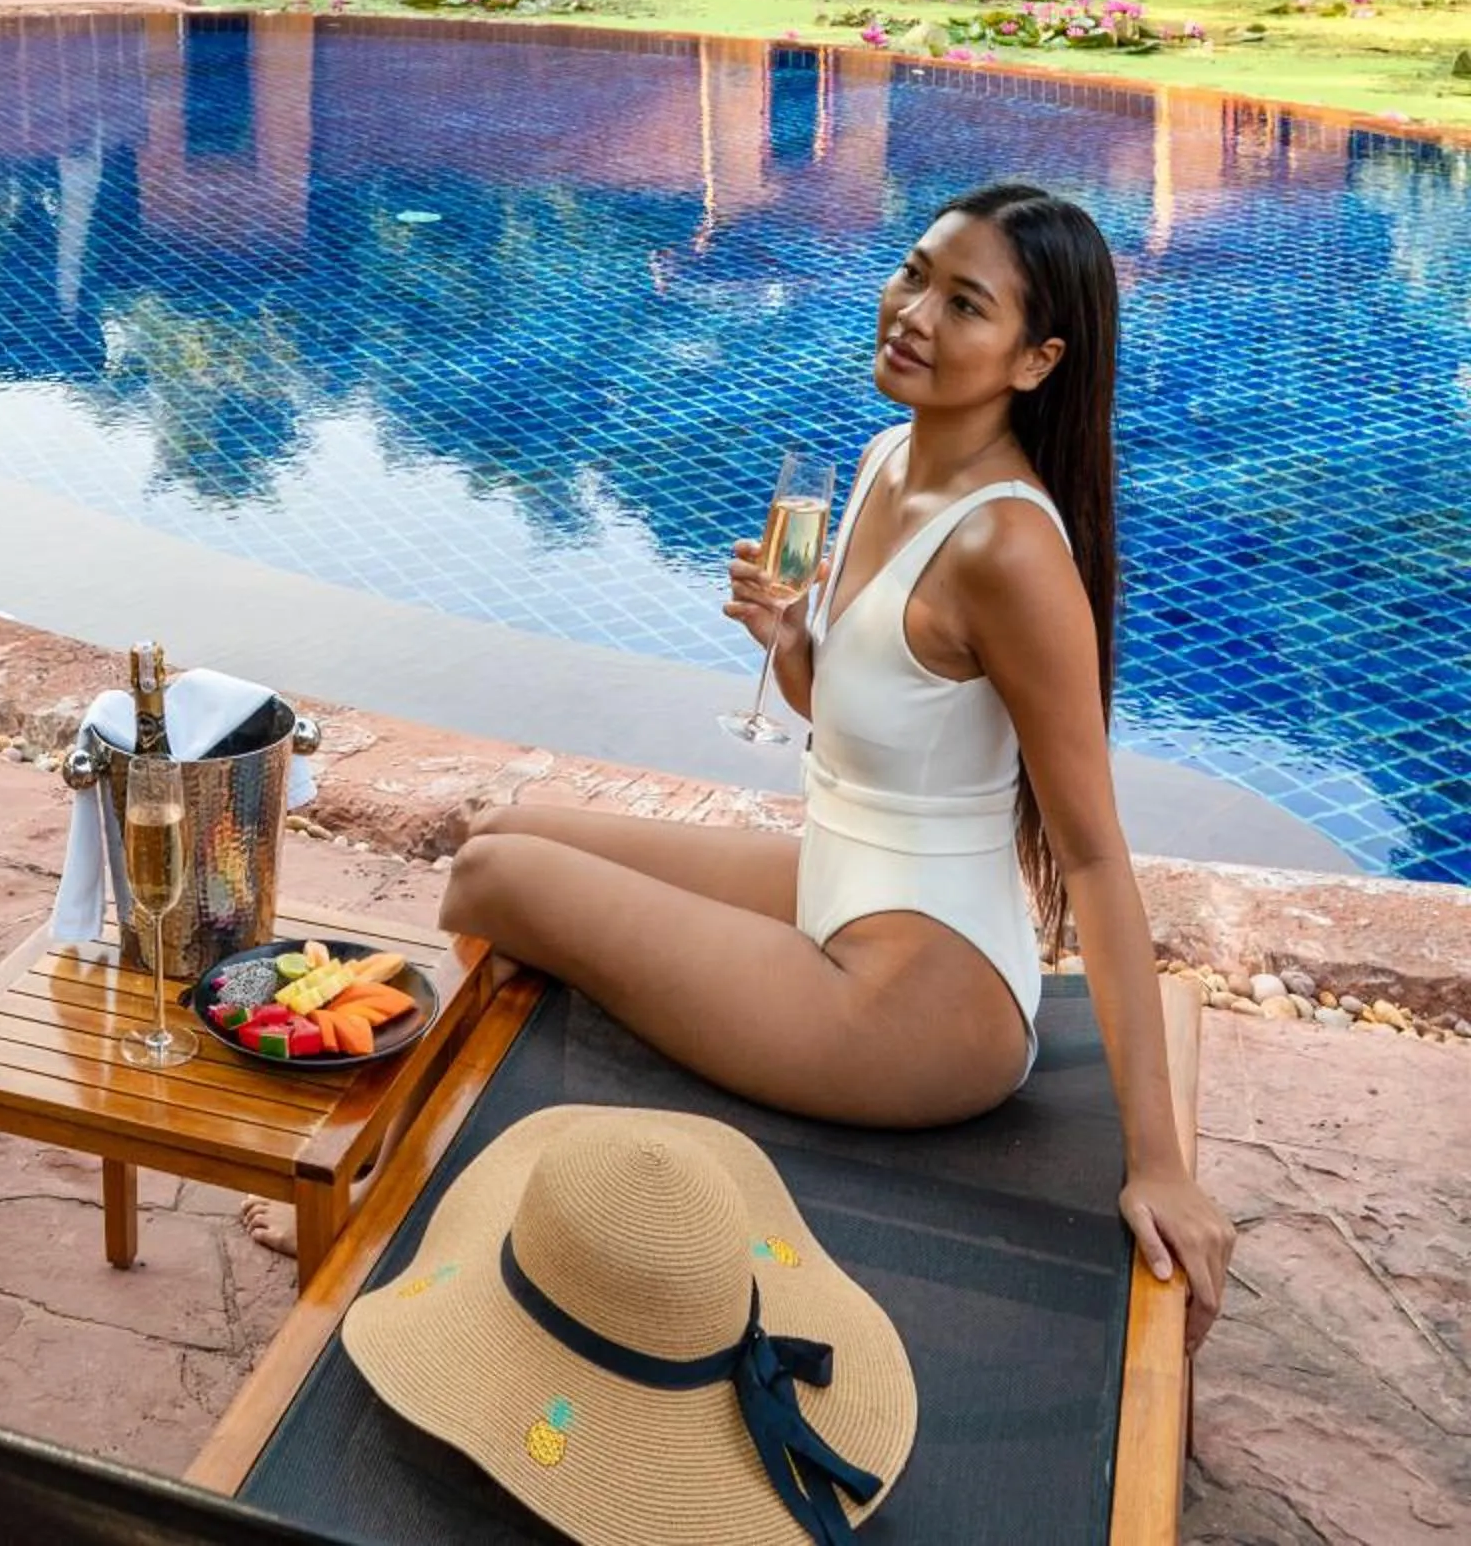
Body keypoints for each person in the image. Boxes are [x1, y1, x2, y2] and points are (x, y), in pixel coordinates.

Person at [423, 179, 1232, 1350]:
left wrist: (1160, 1164)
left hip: (923, 997)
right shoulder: (884, 457)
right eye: (915, 274)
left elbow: (1097, 861)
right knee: (511, 832)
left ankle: (405, 1160)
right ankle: (446, 1154)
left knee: (493, 888)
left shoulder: (1007, 546)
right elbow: (861, 719)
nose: (913, 312)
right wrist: (795, 646)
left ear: (1036, 358)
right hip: (836, 885)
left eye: (967, 305)